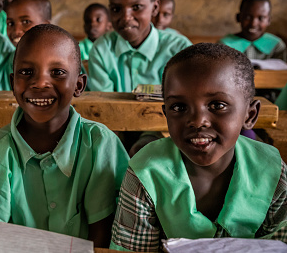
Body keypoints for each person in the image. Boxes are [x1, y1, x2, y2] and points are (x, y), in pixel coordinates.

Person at [0, 24, 130, 248]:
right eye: (27, 72)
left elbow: (101, 236)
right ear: (12, 83)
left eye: (57, 72)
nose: (39, 83)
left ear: (79, 84)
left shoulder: (99, 144)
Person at [110, 43, 287, 251]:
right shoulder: (146, 171)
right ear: (166, 114)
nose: (197, 121)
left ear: (250, 115)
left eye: (217, 105)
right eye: (179, 107)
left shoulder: (272, 170)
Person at [88, 0, 192, 92]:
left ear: (154, 8)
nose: (126, 17)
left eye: (136, 7)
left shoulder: (179, 50)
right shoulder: (102, 49)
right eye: (116, 9)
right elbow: (103, 106)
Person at [219, 0, 286, 61]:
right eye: (248, 17)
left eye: (261, 18)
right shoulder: (225, 45)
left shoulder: (276, 45)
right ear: (238, 17)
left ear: (269, 20)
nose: (253, 24)